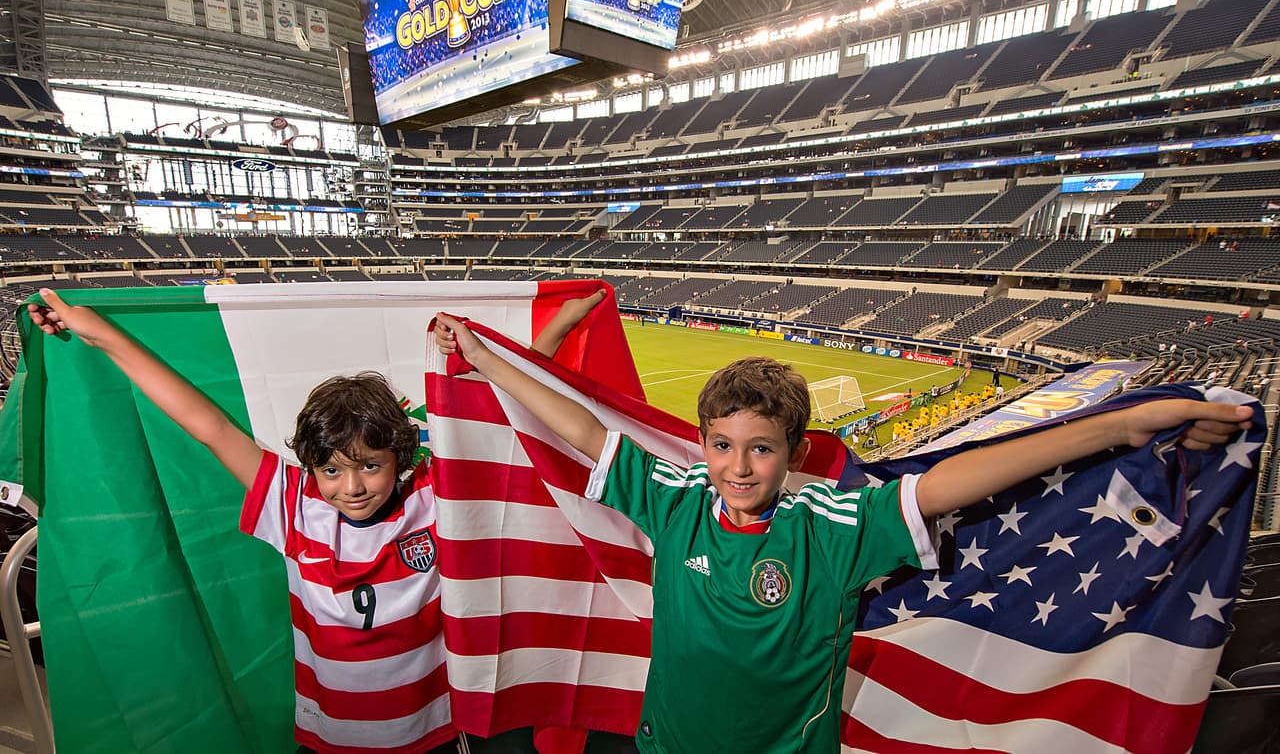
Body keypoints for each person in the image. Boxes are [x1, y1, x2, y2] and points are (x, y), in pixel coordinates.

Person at [432, 314, 1252, 754]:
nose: (738, 468)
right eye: (721, 446)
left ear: (793, 453)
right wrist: (483, 356)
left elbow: (958, 482)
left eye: (760, 449)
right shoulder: (673, 498)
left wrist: (1120, 426)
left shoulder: (833, 527)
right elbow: (580, 429)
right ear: (703, 442)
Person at [27, 288, 606, 754]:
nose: (350, 488)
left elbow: (488, 409)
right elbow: (206, 424)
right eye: (330, 469)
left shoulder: (432, 500)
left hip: (430, 729)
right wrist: (99, 335)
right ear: (310, 468)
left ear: (402, 460)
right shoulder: (293, 505)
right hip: (331, 736)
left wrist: (554, 331)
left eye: (370, 467)